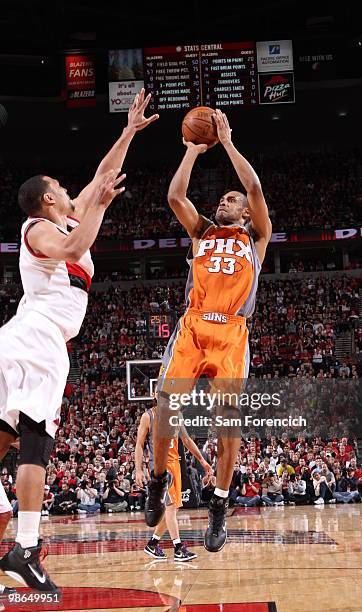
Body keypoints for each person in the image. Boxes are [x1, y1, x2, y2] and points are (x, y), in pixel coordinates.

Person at [0, 90, 158, 592]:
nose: (74, 192)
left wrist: (129, 131)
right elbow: (75, 245)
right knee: (35, 441)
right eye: (63, 188)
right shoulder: (40, 230)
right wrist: (99, 207)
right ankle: (26, 547)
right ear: (48, 198)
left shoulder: (65, 216)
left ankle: (12, 530)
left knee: (4, 436)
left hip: (28, 342)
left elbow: (101, 176)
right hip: (37, 339)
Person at [144, 109, 272, 554]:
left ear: (244, 212)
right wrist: (192, 152)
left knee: (227, 424)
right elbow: (176, 196)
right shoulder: (202, 231)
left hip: (233, 331)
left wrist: (229, 143)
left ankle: (219, 500)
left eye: (230, 200)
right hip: (194, 324)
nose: (225, 201)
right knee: (165, 407)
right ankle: (159, 482)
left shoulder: (256, 237)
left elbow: (254, 188)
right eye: (222, 200)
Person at [136, 403, 211, 561]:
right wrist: (138, 469)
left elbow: (187, 440)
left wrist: (203, 461)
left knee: (171, 510)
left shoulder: (177, 415)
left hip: (175, 464)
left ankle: (153, 543)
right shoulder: (148, 416)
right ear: (155, 395)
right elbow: (139, 444)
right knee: (170, 508)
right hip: (160, 468)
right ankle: (178, 548)